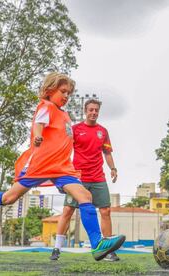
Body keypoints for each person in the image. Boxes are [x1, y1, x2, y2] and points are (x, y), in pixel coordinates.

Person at [0, 72, 125, 261]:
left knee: (85, 196)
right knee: (9, 197)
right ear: (50, 90)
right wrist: (37, 136)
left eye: (69, 92)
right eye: (63, 91)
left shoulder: (65, 115)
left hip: (62, 168)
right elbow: (39, 123)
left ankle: (97, 245)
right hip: (42, 164)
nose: (67, 96)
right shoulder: (46, 106)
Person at [50, 99, 120, 262]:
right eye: (91, 110)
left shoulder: (103, 131)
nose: (93, 112)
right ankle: (56, 249)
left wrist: (113, 169)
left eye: (96, 110)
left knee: (105, 211)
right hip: (77, 179)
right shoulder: (75, 130)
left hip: (98, 178)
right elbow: (63, 149)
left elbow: (107, 153)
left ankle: (108, 250)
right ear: (85, 110)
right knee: (67, 211)